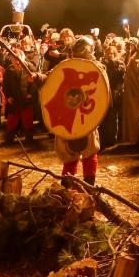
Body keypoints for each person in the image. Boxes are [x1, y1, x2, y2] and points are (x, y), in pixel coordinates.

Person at [55, 36, 104, 185]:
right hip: (69, 112)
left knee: (89, 150)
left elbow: (101, 93)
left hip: (86, 112)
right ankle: (67, 185)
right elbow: (52, 78)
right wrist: (38, 77)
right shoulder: (66, 65)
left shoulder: (97, 68)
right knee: (69, 151)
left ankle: (89, 185)